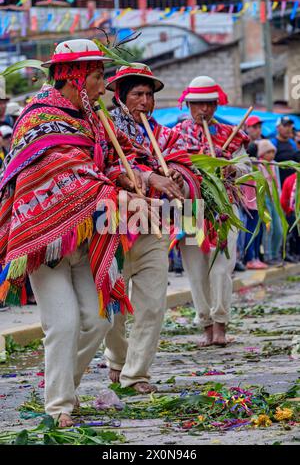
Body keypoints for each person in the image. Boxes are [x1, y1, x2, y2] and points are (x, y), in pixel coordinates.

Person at [0, 39, 146, 427]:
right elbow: (68, 177)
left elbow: (111, 162)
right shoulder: (37, 118)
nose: (104, 87)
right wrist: (115, 194)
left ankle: (67, 386)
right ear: (74, 77)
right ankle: (59, 406)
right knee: (62, 324)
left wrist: (143, 178)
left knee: (98, 320)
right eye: (98, 77)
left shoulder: (94, 119)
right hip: (43, 239)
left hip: (86, 237)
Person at [104, 63, 201, 393]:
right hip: (113, 228)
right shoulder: (105, 131)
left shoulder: (167, 135)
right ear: (120, 98)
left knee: (152, 305)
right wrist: (146, 175)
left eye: (149, 95)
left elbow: (187, 171)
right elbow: (107, 166)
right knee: (112, 308)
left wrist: (176, 175)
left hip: (155, 227)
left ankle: (137, 374)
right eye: (137, 95)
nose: (145, 102)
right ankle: (117, 359)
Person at [174, 75, 251, 346]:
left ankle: (221, 324)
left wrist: (233, 168)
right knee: (195, 271)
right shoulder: (176, 134)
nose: (203, 110)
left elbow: (246, 168)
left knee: (220, 270)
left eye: (208, 103)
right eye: (197, 104)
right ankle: (205, 325)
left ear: (216, 105)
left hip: (224, 208)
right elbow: (170, 167)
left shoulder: (233, 133)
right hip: (190, 210)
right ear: (188, 105)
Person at [257, 140, 283, 266]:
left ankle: (275, 253)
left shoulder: (274, 164)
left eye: (273, 151)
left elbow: (277, 182)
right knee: (269, 228)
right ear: (262, 153)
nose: (271, 154)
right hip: (265, 199)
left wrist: (280, 197)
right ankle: (267, 256)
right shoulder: (259, 165)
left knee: (279, 228)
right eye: (268, 151)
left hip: (275, 198)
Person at [271, 117, 300, 186]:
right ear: (277, 128)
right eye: (285, 126)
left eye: (290, 126)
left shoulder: (292, 143)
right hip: (278, 184)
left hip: (291, 184)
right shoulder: (272, 143)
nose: (288, 129)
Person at [281, 172, 300, 262]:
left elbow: (283, 200)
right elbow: (284, 199)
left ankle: (293, 253)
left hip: (291, 212)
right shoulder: (291, 179)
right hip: (292, 212)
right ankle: (290, 253)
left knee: (292, 234)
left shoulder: (289, 178)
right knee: (292, 234)